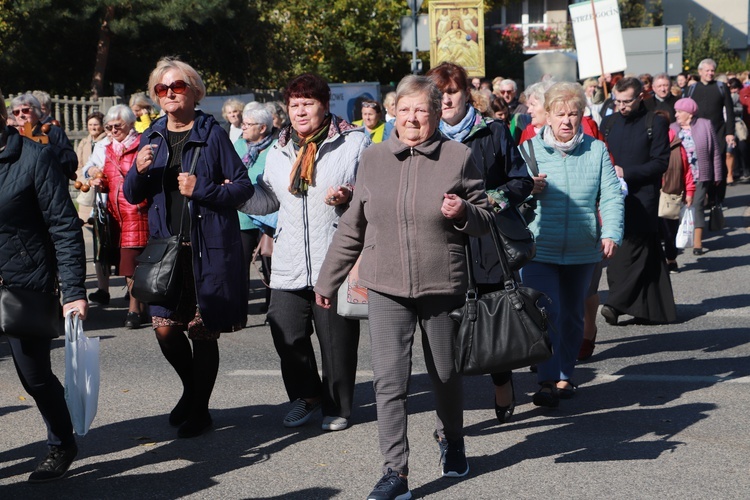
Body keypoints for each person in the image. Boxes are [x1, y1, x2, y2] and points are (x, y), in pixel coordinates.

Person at [313, 75, 493, 500]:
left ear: (435, 115)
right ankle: (396, 472)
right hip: (386, 286)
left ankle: (452, 439)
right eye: (406, 109)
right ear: (393, 111)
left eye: (423, 111)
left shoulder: (458, 156)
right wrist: (328, 280)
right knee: (389, 383)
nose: (413, 118)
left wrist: (464, 211)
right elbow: (353, 226)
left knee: (445, 374)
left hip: (441, 285)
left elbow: (485, 220)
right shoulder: (373, 158)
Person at [124, 57, 254, 438]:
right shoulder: (152, 137)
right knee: (164, 328)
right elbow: (132, 196)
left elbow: (243, 187)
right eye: (161, 89)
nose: (168, 94)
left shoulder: (211, 133)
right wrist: (139, 170)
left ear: (194, 91)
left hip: (206, 246)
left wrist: (203, 189)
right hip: (167, 248)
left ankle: (200, 410)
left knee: (201, 330)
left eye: (176, 87)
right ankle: (191, 390)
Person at [239, 73, 369, 433]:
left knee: (336, 342)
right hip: (289, 258)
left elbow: (373, 191)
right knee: (285, 329)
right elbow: (267, 199)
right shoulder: (279, 149)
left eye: (307, 103)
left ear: (324, 105)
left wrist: (350, 194)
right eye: (294, 105)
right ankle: (306, 396)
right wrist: (236, 193)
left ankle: (337, 406)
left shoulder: (354, 142)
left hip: (335, 257)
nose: (299, 111)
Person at [426, 61, 532, 425]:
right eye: (438, 94)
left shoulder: (494, 131)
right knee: (445, 329)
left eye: (452, 92)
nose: (446, 99)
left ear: (466, 93)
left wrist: (489, 201)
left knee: (490, 319)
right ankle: (449, 412)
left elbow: (522, 181)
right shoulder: (423, 135)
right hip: (438, 244)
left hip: (485, 241)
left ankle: (502, 380)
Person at [0, 89, 88, 482]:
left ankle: (61, 442)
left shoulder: (34, 157)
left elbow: (65, 228)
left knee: (34, 376)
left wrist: (73, 291)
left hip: (24, 284)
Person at [519, 81, 623, 407]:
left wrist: (612, 233)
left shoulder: (596, 150)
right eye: (560, 113)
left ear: (581, 116)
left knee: (573, 316)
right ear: (547, 116)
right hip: (540, 248)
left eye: (573, 114)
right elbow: (509, 197)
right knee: (547, 313)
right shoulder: (529, 151)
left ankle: (565, 375)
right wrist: (527, 189)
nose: (566, 120)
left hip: (582, 249)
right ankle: (547, 380)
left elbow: (611, 196)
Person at [600, 77, 675, 326]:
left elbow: (660, 162)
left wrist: (627, 172)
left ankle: (615, 302)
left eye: (627, 101)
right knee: (646, 253)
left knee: (632, 252)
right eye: (617, 101)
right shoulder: (609, 122)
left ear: (641, 96)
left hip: (644, 199)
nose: (621, 106)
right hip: (614, 199)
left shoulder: (655, 122)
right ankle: (656, 308)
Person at [87, 105, 148, 329]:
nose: (112, 130)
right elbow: (109, 180)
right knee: (126, 264)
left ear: (130, 124)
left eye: (117, 126)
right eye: (109, 127)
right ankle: (141, 307)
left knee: (132, 264)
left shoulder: (141, 144)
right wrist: (99, 182)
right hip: (115, 214)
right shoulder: (109, 148)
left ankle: (134, 309)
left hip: (136, 211)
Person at [234, 103, 276, 310]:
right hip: (242, 215)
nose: (243, 127)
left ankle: (272, 307)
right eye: (243, 123)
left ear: (262, 128)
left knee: (270, 264)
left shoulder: (276, 146)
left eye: (248, 124)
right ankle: (239, 311)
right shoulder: (239, 144)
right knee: (239, 266)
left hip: (267, 216)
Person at [670, 97, 723, 255]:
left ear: (689, 114)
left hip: (700, 174)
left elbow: (715, 151)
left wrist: (718, 174)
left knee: (697, 206)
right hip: (679, 177)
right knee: (680, 207)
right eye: (676, 111)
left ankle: (697, 243)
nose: (676, 115)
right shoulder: (672, 128)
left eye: (679, 112)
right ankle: (681, 237)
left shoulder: (704, 125)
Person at [685, 59, 735, 203]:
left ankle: (717, 197)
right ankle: (702, 196)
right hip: (698, 132)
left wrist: (730, 132)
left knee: (718, 163)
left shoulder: (721, 87)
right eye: (707, 70)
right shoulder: (692, 89)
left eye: (712, 70)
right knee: (700, 163)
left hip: (718, 131)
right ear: (700, 72)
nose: (710, 73)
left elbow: (729, 111)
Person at [654, 108, 695, 274]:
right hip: (651, 193)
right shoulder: (647, 143)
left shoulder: (676, 145)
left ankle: (671, 259)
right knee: (653, 231)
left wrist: (690, 191)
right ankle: (656, 261)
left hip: (671, 193)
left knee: (670, 231)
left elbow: (686, 169)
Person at [9, 93, 77, 179]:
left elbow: (71, 163)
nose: (21, 115)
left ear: (36, 111)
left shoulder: (53, 132)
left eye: (25, 110)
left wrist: (49, 148)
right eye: (16, 112)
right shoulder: (13, 136)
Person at [75, 111, 107, 221]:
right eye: (90, 125)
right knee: (85, 220)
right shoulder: (84, 143)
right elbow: (79, 165)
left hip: (101, 188)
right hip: (86, 187)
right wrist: (83, 180)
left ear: (102, 126)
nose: (92, 127)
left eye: (96, 124)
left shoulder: (106, 142)